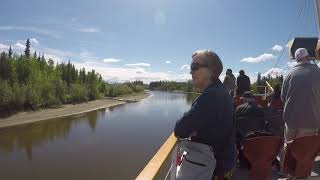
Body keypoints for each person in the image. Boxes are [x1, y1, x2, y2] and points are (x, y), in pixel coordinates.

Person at [174, 49, 236, 179]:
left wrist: (193, 127)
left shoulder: (211, 96)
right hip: (222, 165)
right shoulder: (220, 91)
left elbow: (180, 129)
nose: (191, 71)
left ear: (211, 70)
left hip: (212, 170)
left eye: (194, 67)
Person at [281, 48, 320, 142]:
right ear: (307, 57)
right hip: (310, 122)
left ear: (296, 59)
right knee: (304, 153)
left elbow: (283, 97)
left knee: (289, 151)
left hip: (291, 122)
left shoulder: (288, 74)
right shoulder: (318, 71)